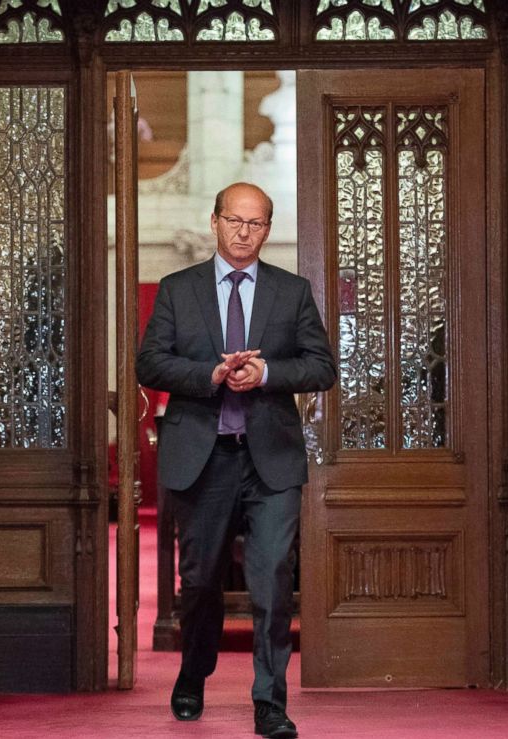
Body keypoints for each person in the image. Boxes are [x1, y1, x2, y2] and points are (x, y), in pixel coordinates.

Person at [136, 182, 336, 738]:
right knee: (198, 582)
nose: (244, 232)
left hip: (269, 460)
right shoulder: (178, 289)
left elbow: (321, 366)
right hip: (204, 458)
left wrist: (267, 373)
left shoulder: (290, 291)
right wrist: (211, 376)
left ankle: (270, 701)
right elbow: (149, 363)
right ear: (215, 221)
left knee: (271, 580)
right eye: (235, 220)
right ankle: (193, 675)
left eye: (256, 223)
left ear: (267, 230)